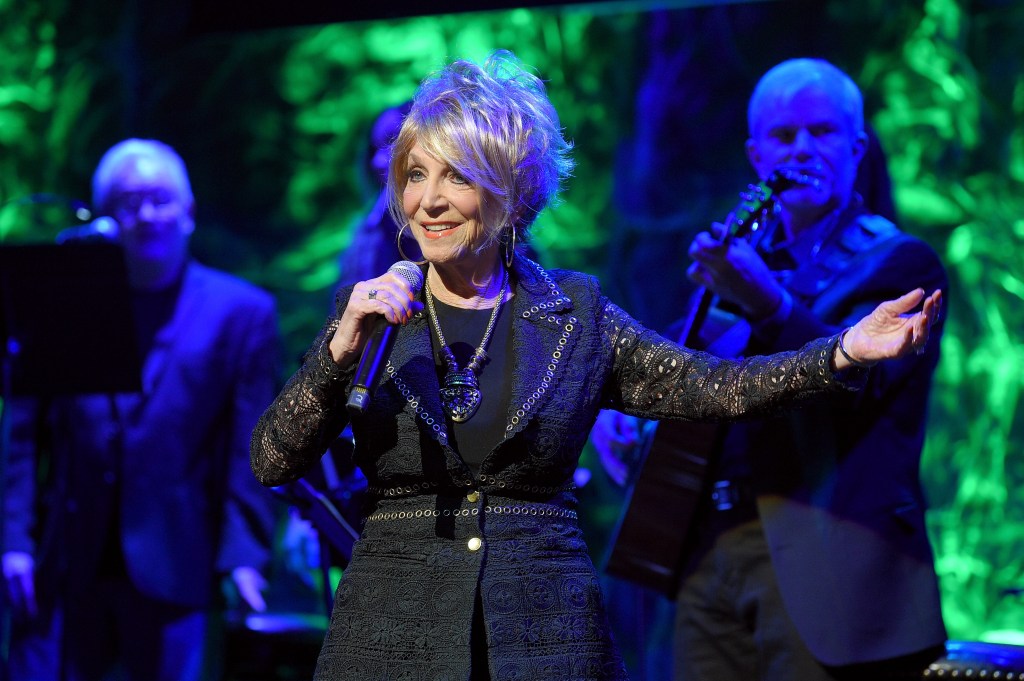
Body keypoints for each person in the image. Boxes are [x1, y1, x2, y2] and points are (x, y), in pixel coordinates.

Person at [249, 50, 940, 681]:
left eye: (455, 175)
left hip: (544, 639)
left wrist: (841, 350)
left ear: (512, 190)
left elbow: (716, 386)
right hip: (389, 635)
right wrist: (340, 350)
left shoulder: (575, 312)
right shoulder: (370, 311)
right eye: (415, 174)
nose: (425, 200)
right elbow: (273, 460)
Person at [593, 58, 949, 680]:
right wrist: (623, 420)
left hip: (829, 559)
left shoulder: (897, 262)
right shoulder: (738, 267)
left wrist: (770, 303)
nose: (803, 149)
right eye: (784, 137)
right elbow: (688, 382)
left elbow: (860, 387)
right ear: (757, 155)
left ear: (857, 147)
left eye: (823, 132)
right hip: (706, 550)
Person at [2, 138, 280, 681]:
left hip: (178, 560)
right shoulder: (63, 300)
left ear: (189, 212)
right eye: (127, 204)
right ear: (104, 218)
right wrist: (15, 541)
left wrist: (244, 555)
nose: (145, 215)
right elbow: (21, 435)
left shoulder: (240, 312)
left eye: (159, 200)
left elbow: (250, 445)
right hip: (66, 561)